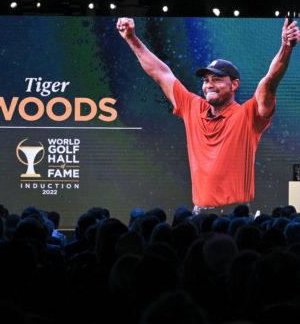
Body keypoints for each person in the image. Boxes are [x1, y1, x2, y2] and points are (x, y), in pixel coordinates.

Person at [116, 18, 300, 214]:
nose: (209, 85)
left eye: (217, 79)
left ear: (234, 84)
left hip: (234, 216)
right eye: (206, 80)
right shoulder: (193, 107)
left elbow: (269, 82)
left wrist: (286, 48)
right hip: (200, 214)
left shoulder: (247, 115)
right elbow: (160, 72)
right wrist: (131, 38)